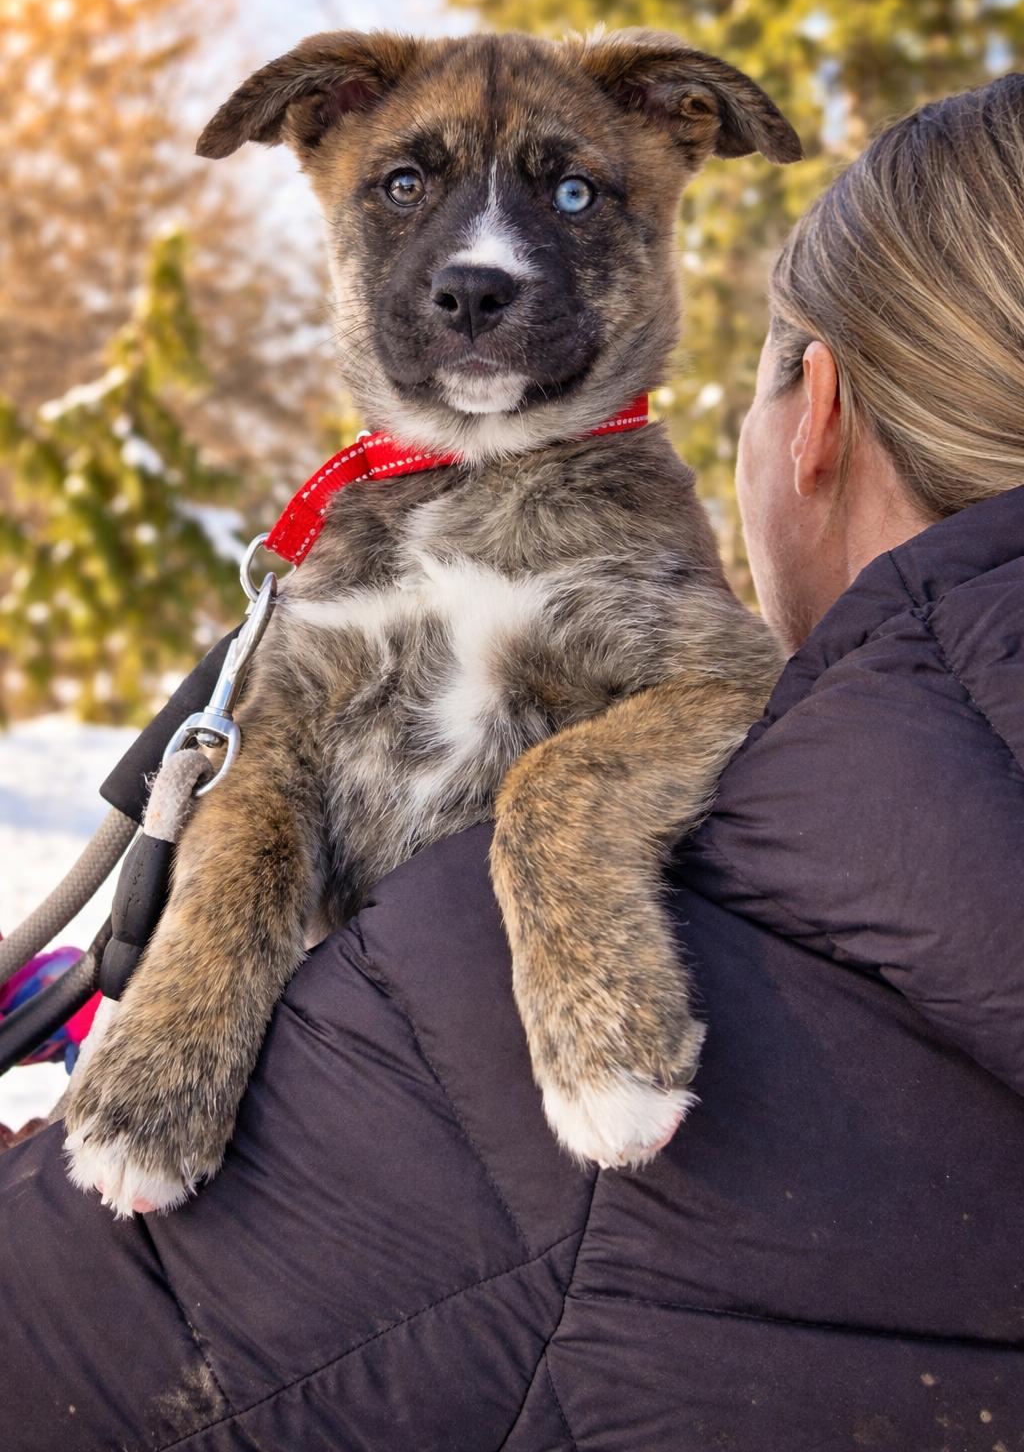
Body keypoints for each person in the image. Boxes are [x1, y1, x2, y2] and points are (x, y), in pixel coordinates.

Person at [2, 77, 1023, 1451]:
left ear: (817, 412)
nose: (483, 262)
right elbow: (278, 767)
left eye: (576, 191)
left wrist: (564, 822)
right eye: (407, 188)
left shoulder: (783, 768)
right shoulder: (897, 801)